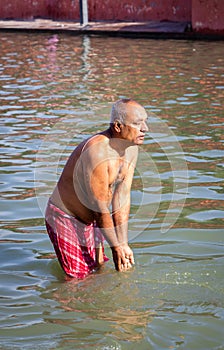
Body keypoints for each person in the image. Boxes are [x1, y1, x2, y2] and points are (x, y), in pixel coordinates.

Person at [45, 99, 148, 279]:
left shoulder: (132, 149)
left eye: (145, 122)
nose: (145, 128)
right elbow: (99, 207)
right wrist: (115, 247)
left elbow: (122, 196)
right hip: (66, 217)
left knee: (98, 269)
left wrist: (122, 243)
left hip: (93, 218)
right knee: (76, 279)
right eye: (138, 124)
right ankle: (66, 304)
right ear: (118, 126)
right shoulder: (97, 151)